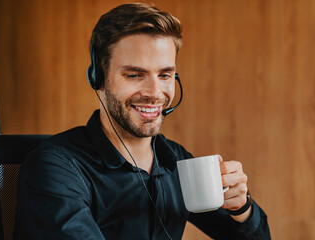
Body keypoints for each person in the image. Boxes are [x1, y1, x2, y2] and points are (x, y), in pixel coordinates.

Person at [14, 3, 271, 240]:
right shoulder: (55, 168)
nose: (154, 92)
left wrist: (242, 208)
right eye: (135, 74)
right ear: (98, 79)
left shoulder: (175, 161)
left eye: (165, 74)